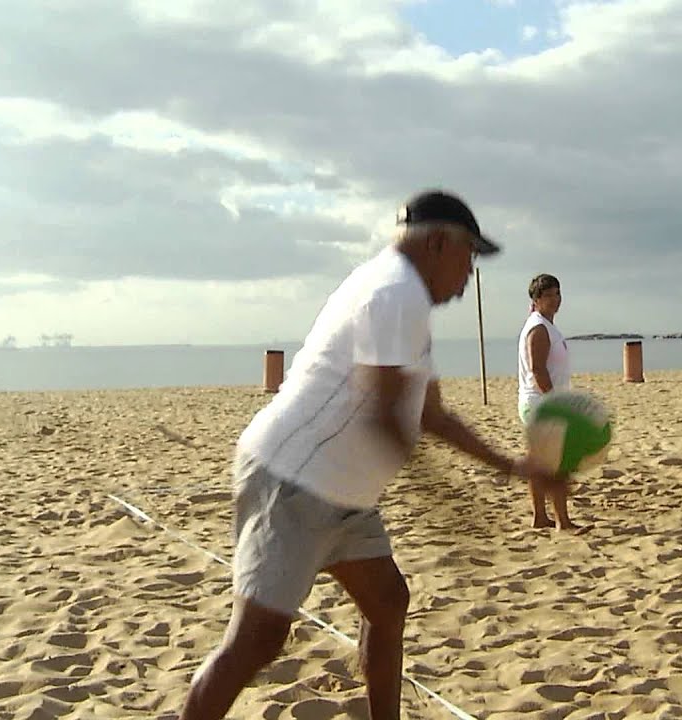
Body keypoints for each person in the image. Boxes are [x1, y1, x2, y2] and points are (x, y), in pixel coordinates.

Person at [177, 190, 568, 720]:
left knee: (387, 603)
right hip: (292, 481)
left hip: (344, 494)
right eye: (469, 255)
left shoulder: (406, 299)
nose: (469, 274)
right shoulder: (393, 292)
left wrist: (516, 467)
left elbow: (430, 413)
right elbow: (385, 415)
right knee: (257, 639)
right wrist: (448, 501)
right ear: (437, 243)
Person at [516, 273, 582, 531]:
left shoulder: (544, 324)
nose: (555, 299)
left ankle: (541, 517)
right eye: (548, 295)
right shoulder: (539, 328)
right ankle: (562, 521)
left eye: (557, 294)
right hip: (540, 404)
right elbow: (538, 370)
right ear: (536, 299)